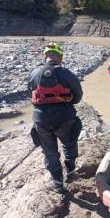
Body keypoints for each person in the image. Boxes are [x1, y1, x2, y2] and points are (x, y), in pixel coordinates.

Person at [28, 42, 83, 192]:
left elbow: (31, 94)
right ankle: (70, 171)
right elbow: (78, 96)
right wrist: (65, 101)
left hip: (42, 120)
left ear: (45, 56)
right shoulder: (67, 74)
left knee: (49, 151)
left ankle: (58, 183)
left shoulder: (34, 74)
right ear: (60, 57)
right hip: (64, 118)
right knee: (69, 143)